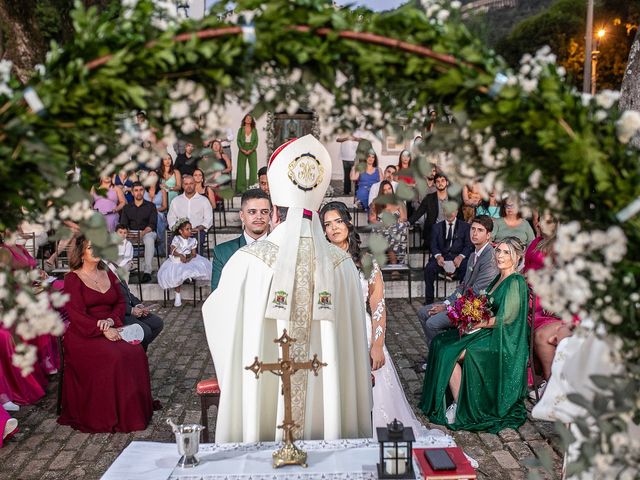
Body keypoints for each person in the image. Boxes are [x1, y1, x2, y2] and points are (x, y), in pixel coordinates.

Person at [202, 135, 372, 443]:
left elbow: (216, 314)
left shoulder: (247, 262)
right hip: (325, 386)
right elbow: (354, 338)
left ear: (275, 211)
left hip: (265, 374)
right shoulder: (341, 264)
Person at [419, 237, 530, 433]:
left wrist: (476, 322)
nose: (500, 256)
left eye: (506, 252)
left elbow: (506, 318)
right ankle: (457, 399)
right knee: (440, 342)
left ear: (517, 256)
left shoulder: (515, 281)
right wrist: (469, 315)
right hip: (487, 331)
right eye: (498, 251)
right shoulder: (499, 277)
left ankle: (462, 406)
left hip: (503, 339)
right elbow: (485, 304)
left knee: (450, 354)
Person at [58, 236, 153, 432]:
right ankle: (112, 413)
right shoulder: (72, 279)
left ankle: (134, 411)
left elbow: (119, 303)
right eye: (91, 247)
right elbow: (76, 316)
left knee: (135, 352)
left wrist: (111, 321)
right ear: (82, 253)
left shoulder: (107, 271)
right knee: (116, 356)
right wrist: (102, 329)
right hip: (83, 334)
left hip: (111, 324)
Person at [418, 215, 499, 347]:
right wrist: (445, 303)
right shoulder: (473, 255)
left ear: (488, 235)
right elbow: (463, 285)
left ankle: (444, 358)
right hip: (463, 302)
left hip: (475, 308)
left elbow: (477, 292)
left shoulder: (489, 258)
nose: (475, 233)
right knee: (423, 312)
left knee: (432, 323)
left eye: (480, 230)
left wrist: (447, 307)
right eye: (473, 229)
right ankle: (435, 356)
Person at [523, 212, 573, 383]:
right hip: (529, 289)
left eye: (547, 221)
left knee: (527, 319)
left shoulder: (559, 247)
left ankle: (548, 380)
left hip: (545, 294)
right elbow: (527, 267)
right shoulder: (536, 242)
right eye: (541, 220)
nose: (540, 224)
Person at [210, 189, 270, 290]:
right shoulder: (222, 252)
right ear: (242, 216)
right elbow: (216, 296)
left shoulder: (282, 251)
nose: (259, 217)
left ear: (270, 215)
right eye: (252, 212)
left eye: (264, 212)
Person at [104, 260, 164, 351]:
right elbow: (109, 301)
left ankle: (137, 352)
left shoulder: (114, 265)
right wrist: (131, 310)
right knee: (145, 331)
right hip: (119, 313)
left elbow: (127, 292)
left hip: (130, 308)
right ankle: (136, 356)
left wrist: (138, 305)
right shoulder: (101, 270)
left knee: (157, 323)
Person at [422, 202, 473, 305]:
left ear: (456, 212)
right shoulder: (436, 227)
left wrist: (461, 256)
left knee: (466, 268)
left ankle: (462, 300)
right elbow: (433, 245)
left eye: (452, 211)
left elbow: (468, 245)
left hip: (458, 258)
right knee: (429, 268)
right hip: (442, 258)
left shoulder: (465, 227)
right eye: (447, 211)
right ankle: (429, 301)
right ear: (444, 212)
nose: (450, 214)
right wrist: (438, 256)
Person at [158, 219, 211, 307]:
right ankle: (177, 295)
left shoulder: (192, 240)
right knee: (177, 272)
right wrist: (181, 256)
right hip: (177, 259)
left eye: (190, 228)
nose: (190, 231)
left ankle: (188, 277)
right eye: (187, 229)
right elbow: (172, 251)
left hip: (188, 258)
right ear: (180, 231)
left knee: (193, 266)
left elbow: (194, 254)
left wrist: (189, 258)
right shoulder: (177, 239)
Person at [409, 173, 463, 249]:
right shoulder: (429, 198)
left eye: (443, 181)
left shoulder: (454, 199)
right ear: (435, 184)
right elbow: (419, 212)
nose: (440, 183)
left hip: (451, 230)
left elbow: (460, 216)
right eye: (438, 181)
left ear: (447, 183)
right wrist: (408, 222)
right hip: (434, 231)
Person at [119, 181, 158, 283]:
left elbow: (152, 224)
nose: (139, 192)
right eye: (136, 190)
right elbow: (123, 225)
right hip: (131, 232)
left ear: (144, 191)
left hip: (147, 232)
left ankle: (147, 272)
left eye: (141, 190)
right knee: (122, 239)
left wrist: (143, 233)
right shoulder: (127, 207)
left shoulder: (151, 206)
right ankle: (125, 267)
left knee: (149, 239)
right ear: (132, 192)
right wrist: (129, 234)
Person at [167, 175, 213, 256]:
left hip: (197, 231)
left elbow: (208, 219)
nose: (189, 186)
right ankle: (176, 267)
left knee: (197, 243)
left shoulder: (204, 200)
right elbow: (171, 217)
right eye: (186, 184)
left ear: (195, 184)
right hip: (179, 232)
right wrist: (178, 229)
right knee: (172, 243)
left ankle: (196, 267)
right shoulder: (176, 200)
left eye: (191, 183)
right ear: (182, 185)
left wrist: (199, 228)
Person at [368, 181, 408, 265]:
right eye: (384, 190)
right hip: (381, 227)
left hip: (396, 227)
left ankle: (394, 262)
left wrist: (396, 222)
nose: (387, 191)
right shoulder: (376, 202)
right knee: (386, 232)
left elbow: (404, 217)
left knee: (397, 229)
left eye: (389, 189)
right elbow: (372, 219)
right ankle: (394, 263)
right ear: (381, 192)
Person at [143, 171, 168, 255]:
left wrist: (154, 211)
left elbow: (165, 206)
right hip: (145, 213)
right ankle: (150, 247)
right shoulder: (143, 190)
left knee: (157, 216)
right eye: (150, 175)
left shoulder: (162, 191)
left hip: (159, 212)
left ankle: (160, 244)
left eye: (154, 175)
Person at [236, 114, 259, 193]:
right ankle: (241, 188)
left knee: (253, 168)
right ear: (244, 120)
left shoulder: (254, 130)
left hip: (252, 149)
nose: (248, 119)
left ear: (252, 120)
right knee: (241, 168)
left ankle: (252, 187)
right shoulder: (240, 129)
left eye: (250, 118)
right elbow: (238, 140)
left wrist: (251, 149)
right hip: (242, 148)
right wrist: (241, 149)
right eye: (247, 118)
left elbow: (256, 141)